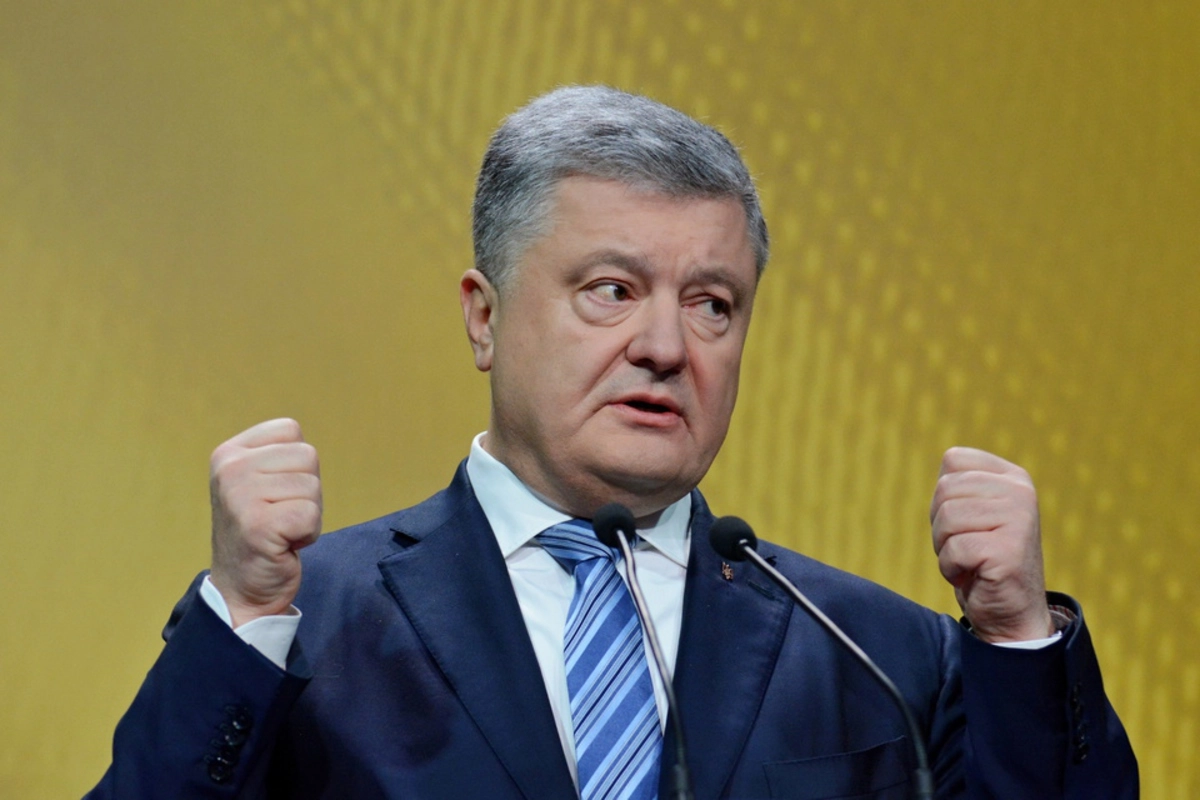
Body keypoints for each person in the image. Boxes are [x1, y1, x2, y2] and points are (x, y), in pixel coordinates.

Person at [88, 86, 1137, 799]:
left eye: (713, 304)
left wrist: (1014, 634)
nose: (666, 346)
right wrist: (247, 614)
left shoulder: (876, 652)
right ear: (484, 317)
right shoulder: (302, 626)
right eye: (611, 289)